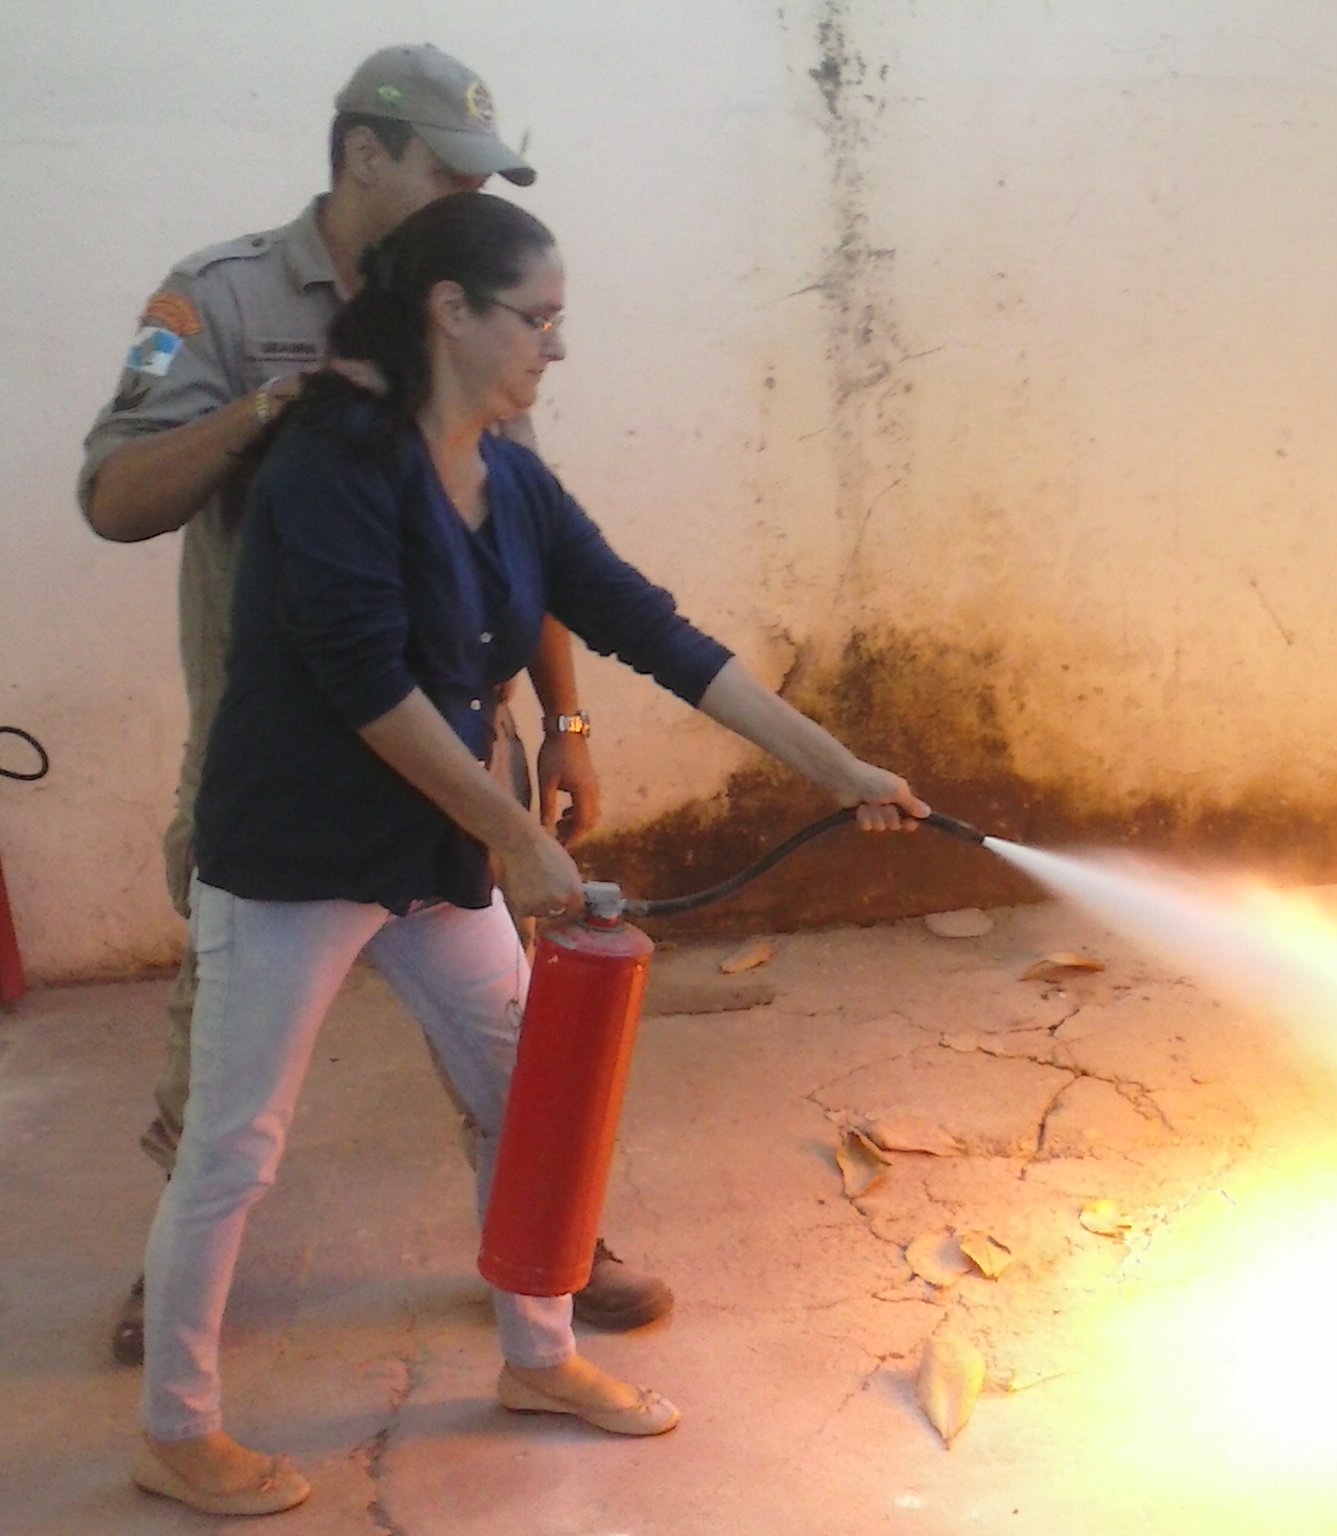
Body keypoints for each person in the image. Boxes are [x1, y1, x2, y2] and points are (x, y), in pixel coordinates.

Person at [131, 187, 930, 1516]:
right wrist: (512, 835)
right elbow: (364, 682)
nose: (556, 347)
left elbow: (651, 629)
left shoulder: (510, 480)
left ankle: (539, 1358)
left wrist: (835, 767)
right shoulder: (331, 463)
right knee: (234, 1149)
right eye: (538, 320)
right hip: (294, 858)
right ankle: (176, 1430)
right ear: (452, 312)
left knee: (528, 1101)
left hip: (436, 860)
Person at [78, 43, 672, 1360]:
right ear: (363, 154)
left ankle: (546, 1237)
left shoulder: (478, 297)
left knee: (505, 1029)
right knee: (226, 1054)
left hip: (461, 744)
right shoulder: (222, 299)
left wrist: (565, 724)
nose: (473, 199)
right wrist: (273, 408)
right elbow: (113, 498)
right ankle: (181, 1260)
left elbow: (530, 533)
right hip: (284, 753)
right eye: (449, 174)